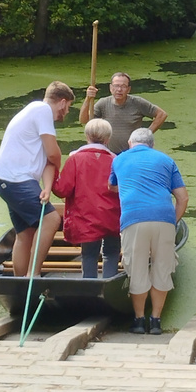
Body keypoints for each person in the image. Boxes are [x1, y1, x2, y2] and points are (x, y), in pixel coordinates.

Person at [108, 127, 188, 335]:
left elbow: (112, 187)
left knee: (137, 270)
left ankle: (138, 320)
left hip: (134, 219)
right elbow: (183, 198)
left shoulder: (119, 160)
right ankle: (156, 321)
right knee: (162, 269)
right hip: (164, 218)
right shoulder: (166, 160)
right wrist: (173, 220)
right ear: (152, 144)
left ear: (129, 142)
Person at [0, 80, 75, 277]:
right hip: (15, 180)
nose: (66, 113)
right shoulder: (42, 110)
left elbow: (48, 161)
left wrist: (46, 188)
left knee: (26, 233)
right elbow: (54, 155)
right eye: (68, 107)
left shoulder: (35, 114)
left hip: (12, 181)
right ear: (62, 102)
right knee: (52, 218)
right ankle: (33, 275)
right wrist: (60, 163)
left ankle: (20, 283)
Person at [52, 118, 121, 278]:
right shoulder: (116, 161)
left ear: (87, 137)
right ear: (107, 139)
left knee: (89, 255)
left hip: (85, 218)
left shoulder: (75, 159)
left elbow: (62, 190)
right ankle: (109, 284)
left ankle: (90, 285)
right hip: (112, 217)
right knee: (111, 253)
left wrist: (53, 171)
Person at [78, 72, 167, 153]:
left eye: (123, 86)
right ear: (110, 88)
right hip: (109, 154)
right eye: (116, 86)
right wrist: (88, 99)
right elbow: (84, 120)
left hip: (132, 153)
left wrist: (146, 134)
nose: (119, 89)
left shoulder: (138, 103)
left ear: (128, 89)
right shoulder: (103, 103)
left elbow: (162, 115)